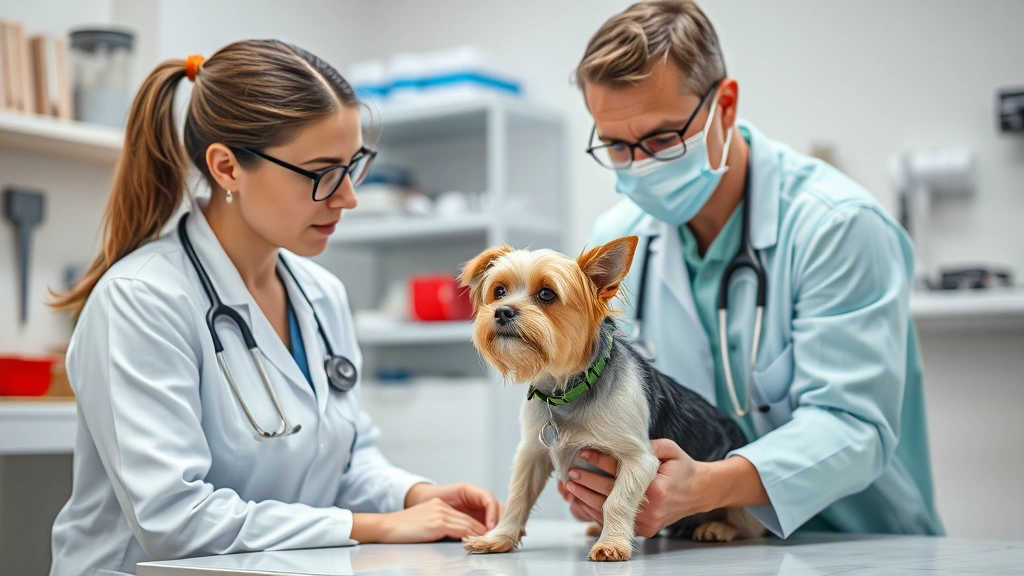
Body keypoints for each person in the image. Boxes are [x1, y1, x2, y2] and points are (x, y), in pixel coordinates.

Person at [47, 40, 502, 576]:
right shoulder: (141, 300)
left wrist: (415, 495)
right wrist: (367, 526)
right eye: (321, 172)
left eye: (353, 165)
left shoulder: (321, 294)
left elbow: (344, 462)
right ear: (226, 168)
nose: (348, 197)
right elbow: (175, 519)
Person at [562, 0, 944, 539]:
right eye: (618, 147)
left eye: (664, 139)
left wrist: (703, 486)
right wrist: (596, 482)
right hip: (702, 545)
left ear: (725, 106)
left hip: (856, 542)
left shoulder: (838, 226)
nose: (640, 167)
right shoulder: (616, 241)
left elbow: (854, 428)